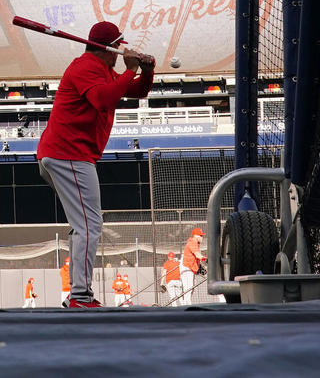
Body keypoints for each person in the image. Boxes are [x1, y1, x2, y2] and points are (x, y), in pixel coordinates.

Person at [37, 21, 154, 308]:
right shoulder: (86, 66)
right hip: (70, 153)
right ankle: (79, 296)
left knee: (83, 226)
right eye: (119, 44)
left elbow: (135, 91)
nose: (122, 50)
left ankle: (78, 295)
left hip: (68, 153)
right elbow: (103, 100)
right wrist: (130, 69)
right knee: (89, 225)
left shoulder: (101, 68)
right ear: (109, 47)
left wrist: (146, 72)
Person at [180, 227, 207, 306]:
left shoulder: (196, 243)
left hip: (191, 268)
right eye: (201, 236)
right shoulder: (192, 242)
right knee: (188, 287)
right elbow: (197, 254)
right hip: (187, 268)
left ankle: (186, 303)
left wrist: (200, 266)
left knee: (190, 287)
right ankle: (185, 305)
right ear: (196, 236)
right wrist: (205, 259)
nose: (202, 237)